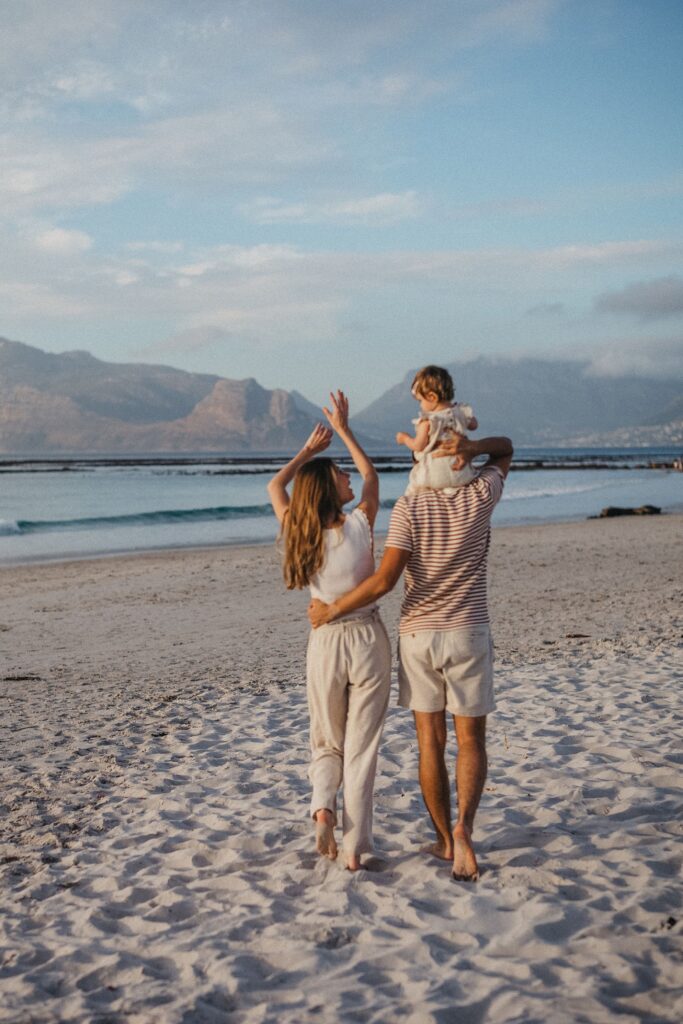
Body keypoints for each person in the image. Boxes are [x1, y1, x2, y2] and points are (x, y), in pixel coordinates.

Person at [309, 430, 513, 881]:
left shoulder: (410, 508)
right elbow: (506, 449)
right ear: (454, 460)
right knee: (472, 741)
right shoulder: (480, 494)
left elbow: (385, 580)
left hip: (418, 634)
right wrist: (473, 448)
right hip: (468, 630)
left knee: (429, 742)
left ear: (420, 462)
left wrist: (332, 609)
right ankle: (463, 830)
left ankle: (442, 840)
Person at [267, 391, 391, 872]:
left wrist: (306, 453)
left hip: (325, 641)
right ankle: (354, 847)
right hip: (366, 636)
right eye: (338, 475)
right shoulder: (360, 524)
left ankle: (323, 809)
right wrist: (343, 430)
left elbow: (276, 488)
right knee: (362, 747)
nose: (347, 478)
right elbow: (372, 477)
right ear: (330, 489)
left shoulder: (301, 532)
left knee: (327, 739)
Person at [395, 365, 479, 495]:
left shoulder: (428, 420)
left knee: (412, 491)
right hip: (461, 474)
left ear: (432, 397)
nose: (421, 405)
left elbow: (418, 445)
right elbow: (474, 425)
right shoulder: (462, 412)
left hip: (433, 476)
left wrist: (404, 438)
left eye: (420, 400)